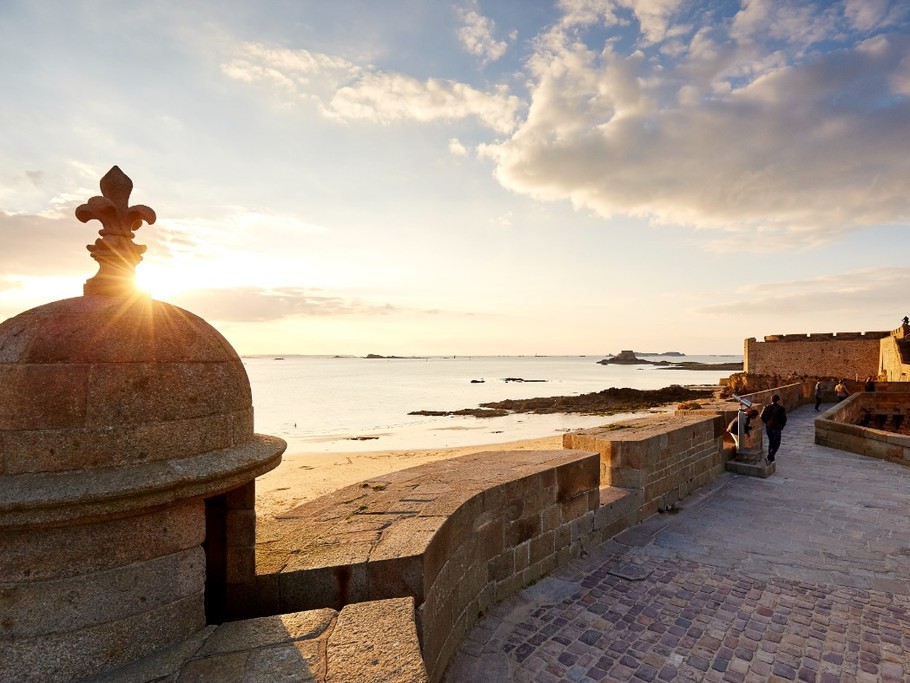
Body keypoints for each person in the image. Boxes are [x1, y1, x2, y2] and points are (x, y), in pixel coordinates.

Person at [760, 394, 787, 463]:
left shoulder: (766, 407)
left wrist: (766, 422)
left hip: (769, 427)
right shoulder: (781, 408)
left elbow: (762, 416)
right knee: (777, 443)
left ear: (771, 400)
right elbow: (784, 419)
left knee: (771, 442)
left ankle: (771, 459)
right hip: (777, 428)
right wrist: (781, 426)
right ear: (778, 400)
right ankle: (770, 456)